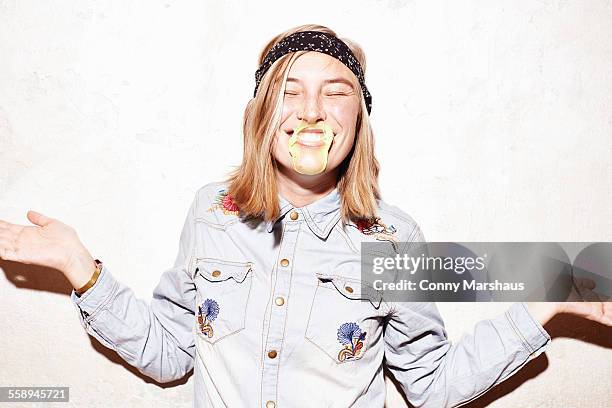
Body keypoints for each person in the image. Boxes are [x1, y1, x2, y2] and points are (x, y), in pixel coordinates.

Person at [0, 24, 610, 408]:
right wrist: (80, 267)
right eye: (290, 91)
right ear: (262, 116)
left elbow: (431, 385)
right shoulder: (211, 213)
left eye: (336, 91)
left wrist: (545, 304)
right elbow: (170, 355)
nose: (312, 110)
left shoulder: (394, 239)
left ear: (357, 123)